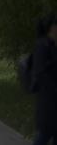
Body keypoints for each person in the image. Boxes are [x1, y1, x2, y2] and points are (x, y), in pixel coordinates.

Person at [32, 15, 57, 145]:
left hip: (53, 100)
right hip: (48, 100)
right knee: (45, 134)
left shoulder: (52, 45)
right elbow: (40, 72)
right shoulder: (42, 45)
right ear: (51, 28)